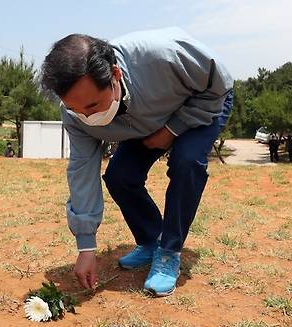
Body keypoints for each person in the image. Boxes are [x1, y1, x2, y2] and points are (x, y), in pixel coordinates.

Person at [40, 28, 233, 297]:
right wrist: (86, 246)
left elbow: (218, 84)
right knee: (120, 175)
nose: (87, 117)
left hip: (201, 103)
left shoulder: (163, 55)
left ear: (115, 76)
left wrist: (172, 130)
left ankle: (169, 252)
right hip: (140, 122)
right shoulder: (76, 116)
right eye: (75, 109)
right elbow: (82, 170)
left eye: (93, 106)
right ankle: (151, 241)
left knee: (186, 162)